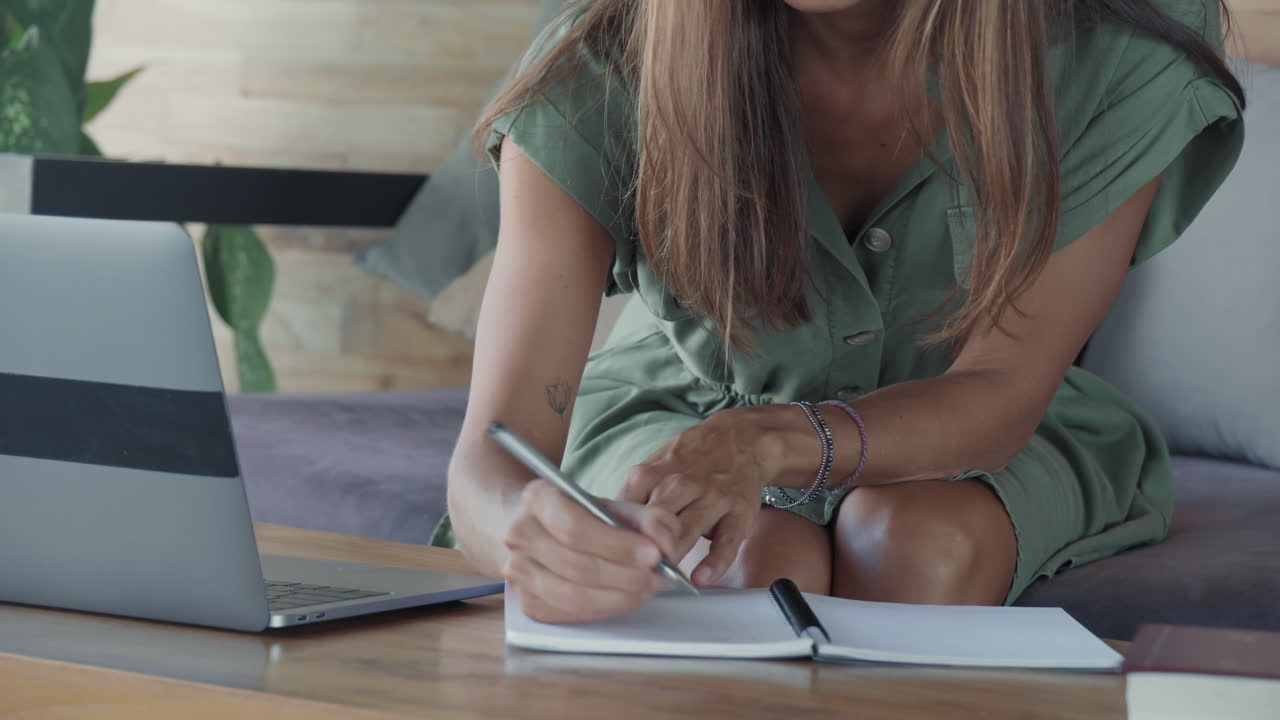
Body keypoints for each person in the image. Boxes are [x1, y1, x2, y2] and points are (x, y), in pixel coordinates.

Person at [433, 0, 1245, 624]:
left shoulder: (1108, 40)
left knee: (913, 542)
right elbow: (489, 462)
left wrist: (763, 444)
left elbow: (1002, 385)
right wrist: (524, 533)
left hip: (979, 421)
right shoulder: (601, 61)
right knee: (748, 562)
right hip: (684, 407)